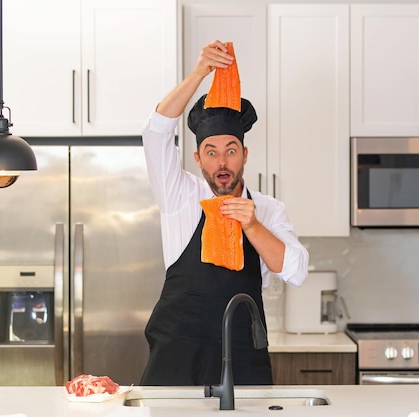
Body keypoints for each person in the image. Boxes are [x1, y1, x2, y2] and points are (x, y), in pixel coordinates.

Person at [139, 40, 309, 386]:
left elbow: (297, 271)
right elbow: (155, 133)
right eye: (211, 152)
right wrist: (200, 72)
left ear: (245, 154)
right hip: (176, 361)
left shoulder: (268, 209)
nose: (222, 163)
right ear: (197, 158)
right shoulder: (179, 196)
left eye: (231, 151)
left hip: (242, 361)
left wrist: (253, 225)